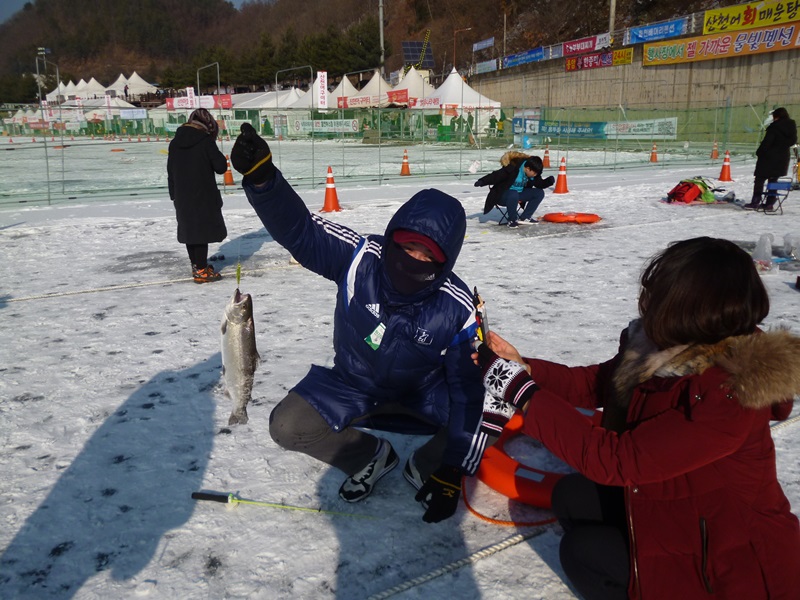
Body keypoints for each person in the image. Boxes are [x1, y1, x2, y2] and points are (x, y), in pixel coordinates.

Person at [473, 236, 800, 599]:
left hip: (726, 560)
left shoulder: (730, 394)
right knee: (571, 496)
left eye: (656, 294)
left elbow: (616, 460)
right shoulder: (666, 348)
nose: (645, 302)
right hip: (674, 501)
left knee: (582, 554)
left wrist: (522, 393)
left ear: (690, 309)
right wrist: (526, 368)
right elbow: (594, 383)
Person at [230, 123, 487, 523]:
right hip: (354, 382)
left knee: (488, 410)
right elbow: (302, 232)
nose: (413, 260)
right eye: (407, 246)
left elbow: (468, 392)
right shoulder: (360, 257)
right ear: (391, 238)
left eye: (427, 254)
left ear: (445, 261)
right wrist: (263, 180)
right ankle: (370, 455)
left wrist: (452, 470)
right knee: (286, 425)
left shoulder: (459, 307)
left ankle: (424, 466)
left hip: (423, 391)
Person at [167, 108, 227, 283]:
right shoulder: (205, 141)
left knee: (190, 229)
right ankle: (201, 270)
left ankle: (197, 264)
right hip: (203, 193)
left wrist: (174, 194)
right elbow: (221, 167)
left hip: (181, 194)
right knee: (202, 230)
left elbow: (170, 170)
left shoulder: (175, 142)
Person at [474, 152, 555, 228]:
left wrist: (547, 182)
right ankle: (512, 219)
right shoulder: (513, 168)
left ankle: (525, 217)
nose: (535, 175)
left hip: (518, 194)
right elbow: (496, 175)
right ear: (527, 168)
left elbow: (539, 183)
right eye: (535, 173)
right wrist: (482, 181)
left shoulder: (532, 173)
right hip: (503, 196)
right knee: (513, 194)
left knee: (539, 193)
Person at [744, 107, 797, 211]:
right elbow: (792, 141)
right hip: (782, 158)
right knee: (773, 180)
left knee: (759, 179)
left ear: (776, 116)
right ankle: (769, 203)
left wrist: (759, 152)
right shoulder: (791, 127)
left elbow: (767, 143)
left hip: (769, 158)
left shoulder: (774, 127)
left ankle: (755, 201)